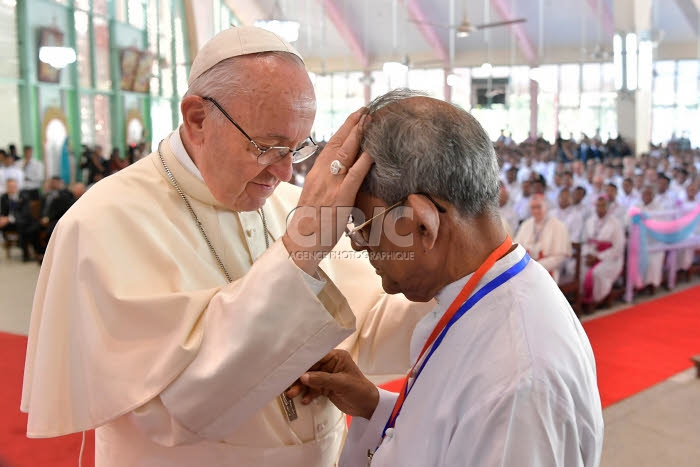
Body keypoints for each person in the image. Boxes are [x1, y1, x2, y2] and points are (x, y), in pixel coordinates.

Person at [21, 27, 431, 467]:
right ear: (198, 118)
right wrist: (299, 251)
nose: (284, 173)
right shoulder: (103, 223)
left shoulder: (292, 205)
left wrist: (447, 272)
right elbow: (176, 407)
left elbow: (366, 327)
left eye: (298, 148)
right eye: (268, 146)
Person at [296, 90, 603, 466]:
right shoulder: (493, 293)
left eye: (364, 226)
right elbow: (452, 433)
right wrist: (372, 405)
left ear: (423, 222)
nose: (360, 246)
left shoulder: (517, 377)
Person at [580, 196, 626, 313]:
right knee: (579, 269)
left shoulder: (615, 223)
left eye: (603, 206)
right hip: (591, 255)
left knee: (597, 273)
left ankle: (595, 300)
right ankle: (583, 298)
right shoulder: (590, 221)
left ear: (608, 207)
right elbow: (584, 241)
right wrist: (589, 254)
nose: (600, 208)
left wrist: (598, 257)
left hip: (610, 258)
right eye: (598, 205)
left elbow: (618, 247)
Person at [514, 194, 571, 282]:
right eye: (533, 207)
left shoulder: (558, 226)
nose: (536, 211)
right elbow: (517, 249)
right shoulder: (525, 225)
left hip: (548, 269)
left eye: (539, 207)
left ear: (546, 207)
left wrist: (536, 266)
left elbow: (560, 256)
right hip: (525, 268)